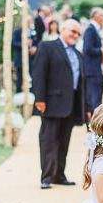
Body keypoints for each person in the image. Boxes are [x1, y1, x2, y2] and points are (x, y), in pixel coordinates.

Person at [32, 19, 87, 189]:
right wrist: (39, 98)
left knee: (64, 142)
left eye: (78, 33)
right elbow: (39, 74)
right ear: (63, 29)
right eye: (73, 31)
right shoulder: (47, 47)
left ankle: (59, 174)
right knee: (49, 141)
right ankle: (46, 177)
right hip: (51, 102)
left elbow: (81, 82)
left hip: (71, 105)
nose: (75, 36)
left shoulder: (78, 54)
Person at [82, 7, 103, 114]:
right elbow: (87, 49)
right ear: (95, 16)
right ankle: (94, 124)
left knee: (97, 98)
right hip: (92, 71)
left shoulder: (95, 29)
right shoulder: (90, 29)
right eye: (102, 15)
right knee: (94, 99)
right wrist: (102, 50)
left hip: (96, 69)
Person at [12, 17, 37, 92]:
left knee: (33, 78)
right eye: (28, 22)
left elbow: (37, 42)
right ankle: (19, 98)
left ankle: (32, 96)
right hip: (20, 59)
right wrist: (24, 43)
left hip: (31, 59)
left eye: (30, 21)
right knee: (20, 79)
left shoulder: (33, 32)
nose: (29, 23)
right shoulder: (17, 32)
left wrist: (35, 48)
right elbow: (14, 43)